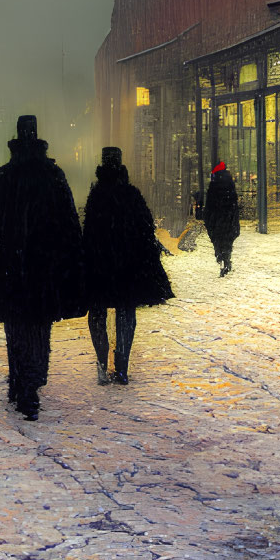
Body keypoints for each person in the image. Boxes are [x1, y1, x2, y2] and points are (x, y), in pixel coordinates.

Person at [0, 115, 85, 421]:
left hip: (10, 265)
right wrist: (72, 252)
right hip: (42, 265)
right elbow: (68, 221)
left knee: (16, 325)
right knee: (39, 324)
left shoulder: (1, 178)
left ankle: (19, 379)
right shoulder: (53, 175)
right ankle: (31, 383)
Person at [80, 146, 173, 385]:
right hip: (126, 266)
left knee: (98, 313)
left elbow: (88, 232)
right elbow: (144, 229)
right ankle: (121, 366)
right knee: (125, 312)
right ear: (121, 165)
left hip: (100, 265)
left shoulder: (96, 195)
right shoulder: (131, 194)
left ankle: (102, 364)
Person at [202, 161, 240, 277]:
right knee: (227, 239)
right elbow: (234, 200)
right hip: (228, 216)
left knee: (217, 238)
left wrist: (207, 215)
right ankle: (226, 260)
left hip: (217, 217)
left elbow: (210, 202)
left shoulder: (214, 183)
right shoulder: (229, 182)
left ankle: (221, 257)